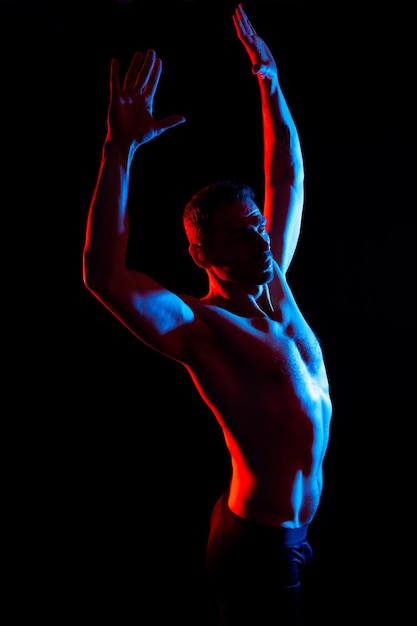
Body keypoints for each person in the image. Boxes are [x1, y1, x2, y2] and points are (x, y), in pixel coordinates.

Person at [83, 4, 332, 625]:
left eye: (258, 228)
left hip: (294, 535)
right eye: (241, 237)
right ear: (203, 253)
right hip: (259, 548)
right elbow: (105, 277)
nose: (261, 241)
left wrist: (269, 80)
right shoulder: (201, 328)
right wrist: (119, 150)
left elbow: (287, 175)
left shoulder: (277, 283)